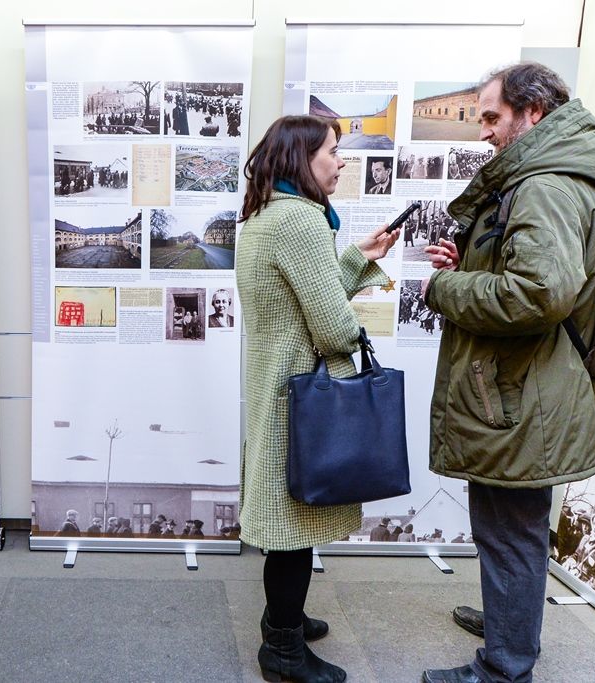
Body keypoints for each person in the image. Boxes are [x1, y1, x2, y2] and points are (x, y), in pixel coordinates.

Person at [420, 62, 595, 683]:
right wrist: (471, 262)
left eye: (492, 116)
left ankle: (504, 667)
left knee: (509, 530)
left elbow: (538, 294)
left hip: (520, 397)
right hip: (528, 390)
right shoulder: (557, 177)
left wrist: (446, 286)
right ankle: (508, 620)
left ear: (532, 113)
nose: (483, 132)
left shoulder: (545, 186)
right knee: (515, 527)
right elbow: (536, 276)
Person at [236, 115, 399, 683]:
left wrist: (357, 254)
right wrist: (358, 340)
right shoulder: (302, 222)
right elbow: (329, 321)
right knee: (293, 532)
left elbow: (309, 288)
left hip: (277, 388)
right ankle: (281, 649)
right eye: (333, 150)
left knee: (291, 520)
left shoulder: (264, 217)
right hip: (301, 397)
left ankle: (285, 619)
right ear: (302, 158)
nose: (341, 160)